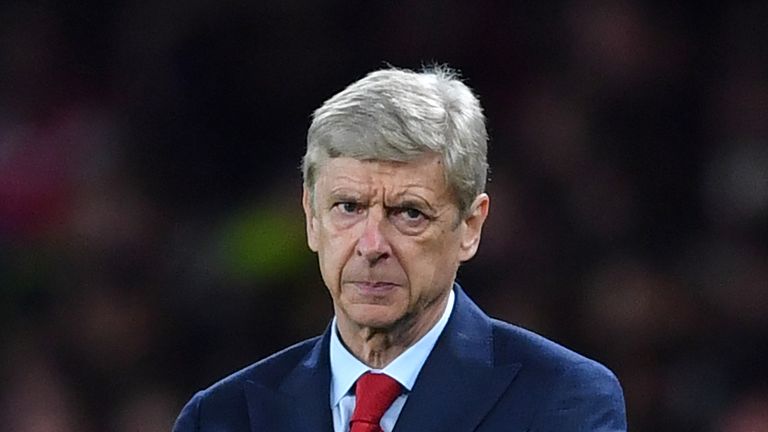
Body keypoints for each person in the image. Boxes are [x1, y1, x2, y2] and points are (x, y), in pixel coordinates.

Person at [172, 66, 627, 432]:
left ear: (470, 226)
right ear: (311, 218)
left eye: (409, 213)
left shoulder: (562, 400)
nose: (371, 246)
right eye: (348, 207)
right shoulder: (221, 417)